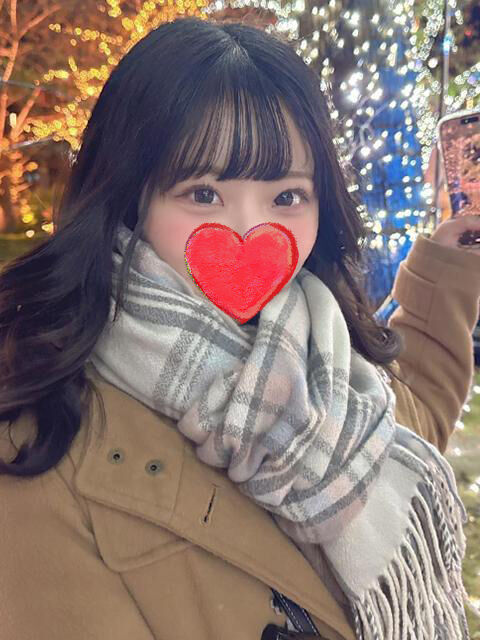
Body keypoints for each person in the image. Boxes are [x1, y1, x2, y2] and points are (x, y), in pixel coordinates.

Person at [0, 16, 479, 640]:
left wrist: (452, 262)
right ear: (130, 195)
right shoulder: (38, 444)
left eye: (287, 196)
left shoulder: (320, 340)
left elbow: (408, 420)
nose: (252, 230)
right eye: (203, 193)